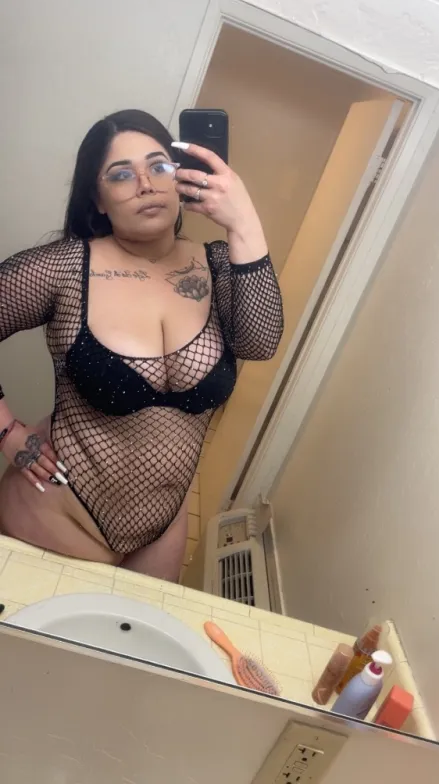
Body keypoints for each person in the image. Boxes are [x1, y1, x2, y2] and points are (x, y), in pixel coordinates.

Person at [0, 109, 283, 581]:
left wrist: (243, 224)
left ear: (180, 177)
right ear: (98, 199)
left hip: (161, 533)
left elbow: (260, 342)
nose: (146, 184)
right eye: (121, 174)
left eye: (159, 166)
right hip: (54, 517)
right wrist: (8, 434)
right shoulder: (64, 270)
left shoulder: (219, 266)